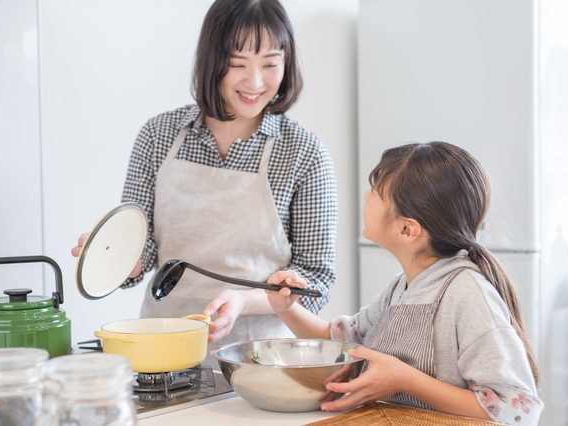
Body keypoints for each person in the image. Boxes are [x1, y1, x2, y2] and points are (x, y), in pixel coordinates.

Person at [71, 0, 337, 365]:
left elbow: (316, 278)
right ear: (211, 60)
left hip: (261, 362)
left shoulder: (304, 153)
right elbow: (145, 250)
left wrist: (243, 301)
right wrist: (114, 255)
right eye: (237, 63)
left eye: (271, 63)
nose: (256, 82)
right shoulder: (158, 135)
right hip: (160, 350)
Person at [266, 142, 542, 425]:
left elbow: (517, 411)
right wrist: (287, 309)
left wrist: (405, 380)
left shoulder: (468, 294)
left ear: (407, 229)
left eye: (375, 192)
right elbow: (341, 344)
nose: (366, 195)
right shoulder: (400, 287)